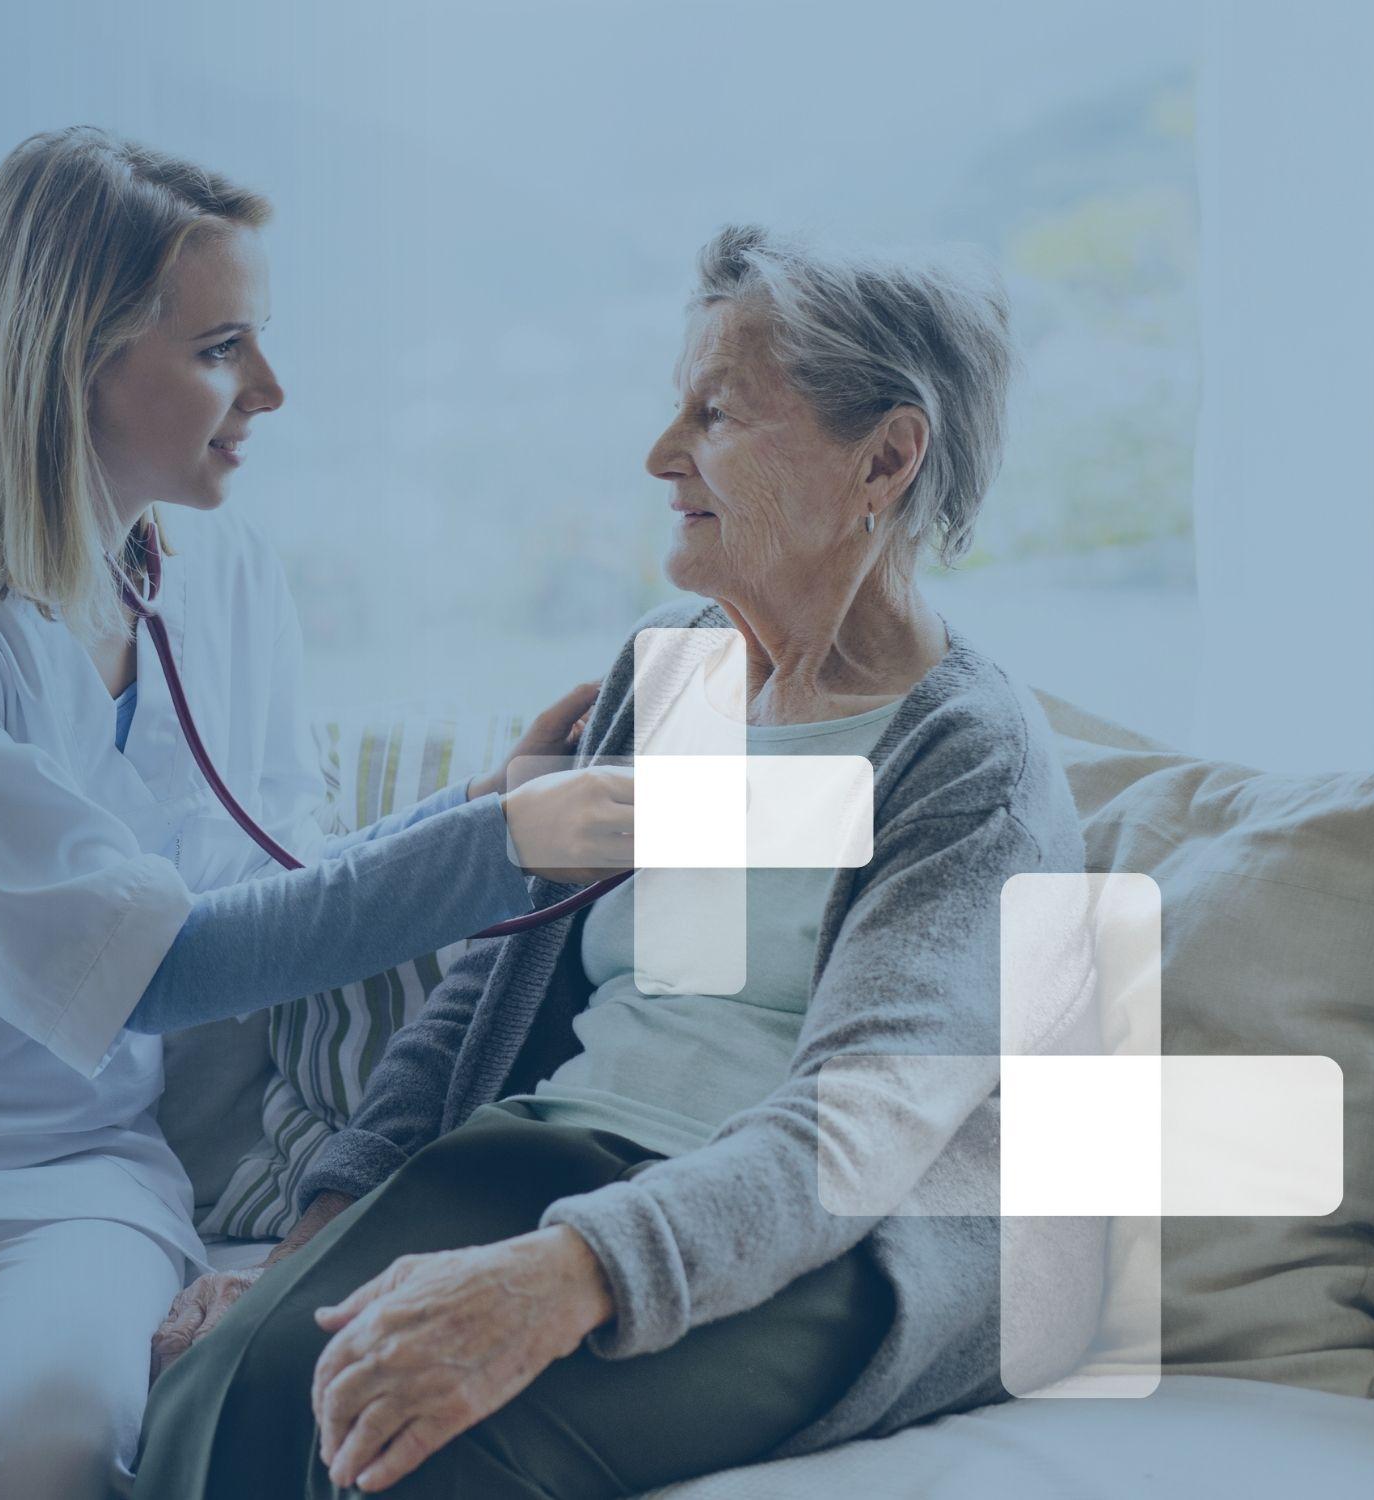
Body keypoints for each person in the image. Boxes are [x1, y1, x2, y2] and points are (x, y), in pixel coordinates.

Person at [0, 127, 631, 1500]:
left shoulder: (228, 579)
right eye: (221, 349)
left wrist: (480, 802)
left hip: (64, 1154)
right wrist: (511, 841)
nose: (270, 390)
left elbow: (278, 885)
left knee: (59, 1441)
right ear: (72, 357)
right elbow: (166, 968)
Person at [137, 225, 1101, 1498]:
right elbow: (485, 1003)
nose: (660, 455)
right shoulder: (680, 667)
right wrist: (300, 1260)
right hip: (562, 1155)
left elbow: (857, 1129)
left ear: (885, 457)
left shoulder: (968, 756)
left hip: (827, 1246)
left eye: (718, 414)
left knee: (415, 1453)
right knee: (225, 1390)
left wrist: (562, 1277)